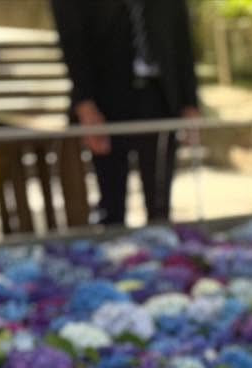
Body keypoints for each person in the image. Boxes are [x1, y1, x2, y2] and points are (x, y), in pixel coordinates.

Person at [51, 0, 200, 228]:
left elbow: (182, 37)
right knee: (112, 205)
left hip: (159, 97)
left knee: (159, 205)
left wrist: (190, 102)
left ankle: (161, 252)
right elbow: (72, 38)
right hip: (106, 100)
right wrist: (85, 104)